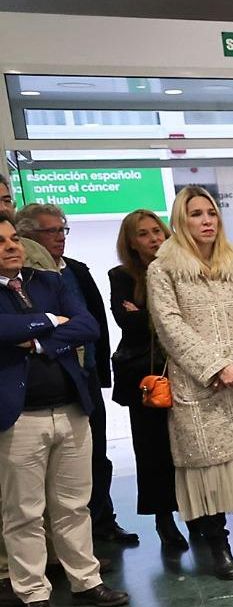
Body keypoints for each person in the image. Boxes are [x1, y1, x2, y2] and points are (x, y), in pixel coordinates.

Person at [0, 213, 130, 607]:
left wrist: (35, 341)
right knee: (24, 512)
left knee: (74, 505)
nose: (11, 247)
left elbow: (88, 325)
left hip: (71, 408)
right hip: (19, 418)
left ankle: (86, 581)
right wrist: (50, 322)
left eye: (13, 239)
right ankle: (34, 594)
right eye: (1, 242)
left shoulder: (48, 282)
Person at [146, 186, 233, 579]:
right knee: (207, 470)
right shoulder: (163, 268)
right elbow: (169, 326)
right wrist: (216, 367)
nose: (207, 221)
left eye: (211, 213)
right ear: (180, 220)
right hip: (199, 383)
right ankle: (218, 546)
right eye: (196, 214)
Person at [15, 202, 134, 545]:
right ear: (27, 236)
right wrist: (52, 332)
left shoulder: (76, 270)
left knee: (96, 455)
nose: (59, 237)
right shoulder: (25, 278)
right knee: (52, 470)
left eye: (62, 229)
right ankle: (60, 544)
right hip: (45, 382)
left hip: (86, 374)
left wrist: (45, 339)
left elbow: (91, 324)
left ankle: (103, 521)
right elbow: (22, 328)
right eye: (50, 231)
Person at [108, 209, 188, 555]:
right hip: (145, 377)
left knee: (187, 446)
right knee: (152, 450)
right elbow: (128, 323)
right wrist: (163, 317)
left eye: (157, 230)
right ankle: (163, 518)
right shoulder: (121, 275)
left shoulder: (181, 267)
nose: (154, 238)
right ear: (131, 242)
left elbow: (189, 317)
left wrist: (148, 314)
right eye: (143, 234)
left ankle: (197, 514)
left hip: (184, 370)